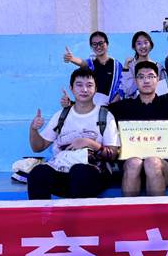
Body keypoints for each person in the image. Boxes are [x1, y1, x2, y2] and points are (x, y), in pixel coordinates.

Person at [27, 67, 120, 199]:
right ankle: (42, 213)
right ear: (71, 88)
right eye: (79, 85)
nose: (84, 90)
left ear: (96, 89)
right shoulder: (61, 115)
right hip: (63, 171)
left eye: (89, 85)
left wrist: (89, 143)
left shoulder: (105, 116)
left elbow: (113, 154)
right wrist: (33, 129)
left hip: (95, 173)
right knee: (38, 173)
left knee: (79, 171)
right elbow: (38, 147)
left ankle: (80, 213)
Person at [108, 61, 168, 196]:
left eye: (151, 76)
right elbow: (95, 110)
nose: (146, 80)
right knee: (134, 163)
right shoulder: (121, 108)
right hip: (130, 166)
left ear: (158, 80)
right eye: (141, 77)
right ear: (135, 80)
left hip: (162, 165)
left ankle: (158, 210)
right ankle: (129, 210)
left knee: (152, 162)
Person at [63, 31, 123, 104]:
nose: (98, 46)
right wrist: (72, 59)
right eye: (94, 44)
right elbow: (82, 63)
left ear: (107, 44)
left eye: (101, 43)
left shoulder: (117, 66)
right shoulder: (91, 63)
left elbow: (121, 87)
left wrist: (112, 105)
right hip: (91, 106)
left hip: (110, 106)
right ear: (91, 46)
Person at [121, 31, 168, 98]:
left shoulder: (158, 67)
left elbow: (163, 93)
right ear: (134, 47)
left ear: (151, 45)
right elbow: (127, 91)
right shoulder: (130, 66)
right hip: (134, 103)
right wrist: (126, 68)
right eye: (139, 43)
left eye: (146, 42)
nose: (143, 46)